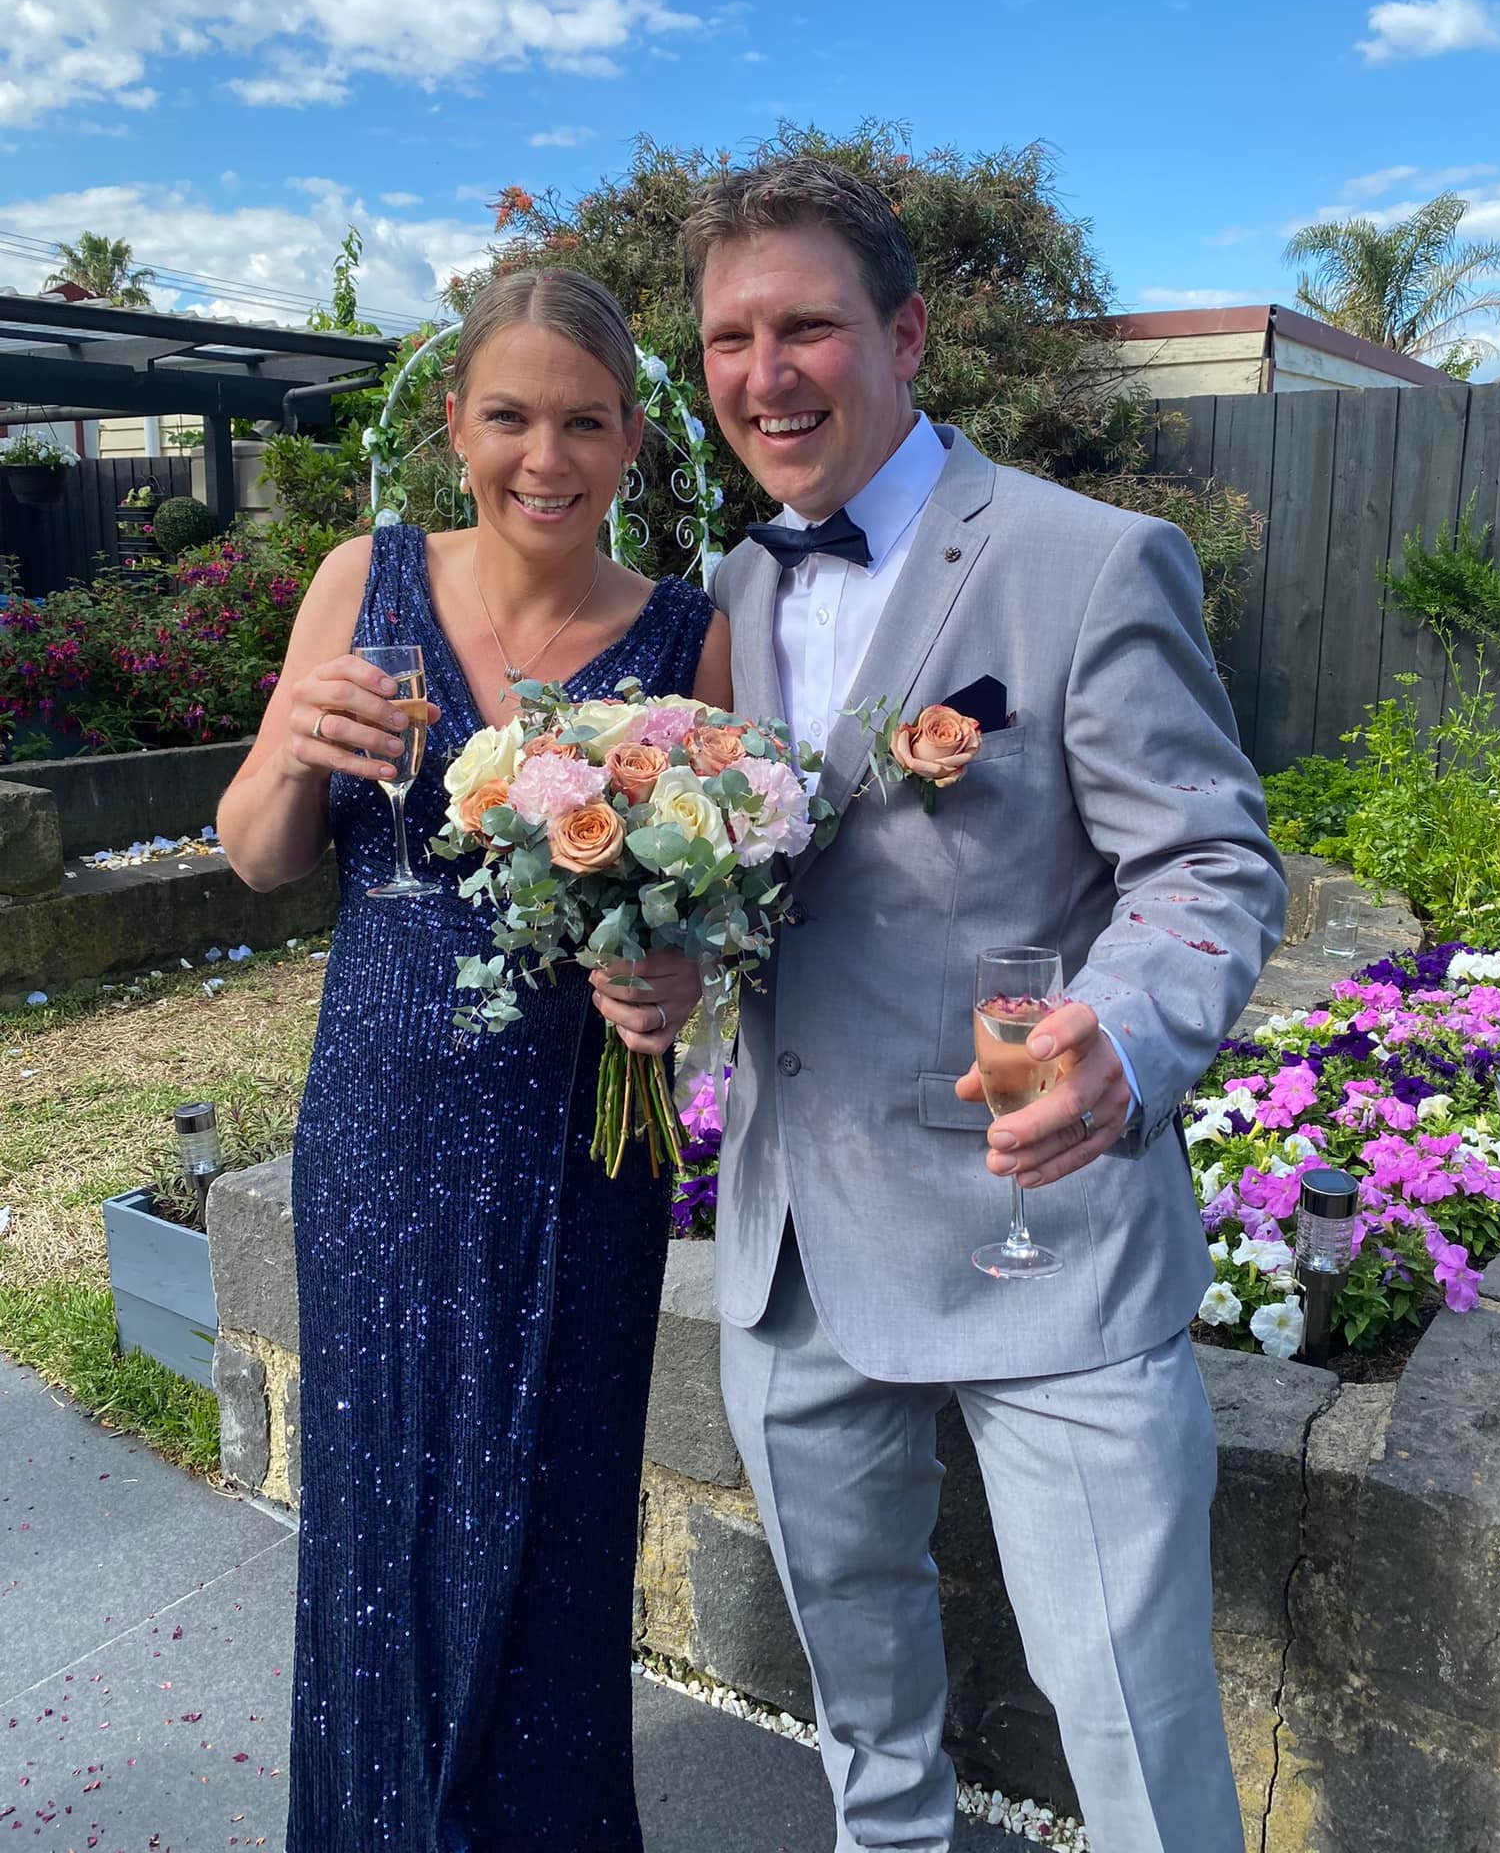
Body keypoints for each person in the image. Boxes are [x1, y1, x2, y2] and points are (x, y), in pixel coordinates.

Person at [688, 158, 1287, 1853]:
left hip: (1048, 1247)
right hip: (796, 1255)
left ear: (906, 335)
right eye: (729, 337)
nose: (765, 373)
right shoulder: (728, 592)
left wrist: (1130, 1033)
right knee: (866, 1736)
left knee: (1140, 1752)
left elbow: (1210, 862)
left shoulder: (1089, 561)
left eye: (808, 326)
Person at [218, 267, 730, 1853]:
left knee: (553, 1522)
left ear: (632, 438)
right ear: (454, 427)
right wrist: (294, 747)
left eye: (584, 422)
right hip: (376, 1130)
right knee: (376, 1522)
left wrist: (679, 975)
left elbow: (715, 910)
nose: (545, 459)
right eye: (509, 417)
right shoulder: (359, 581)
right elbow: (257, 856)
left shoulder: (686, 634)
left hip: (579, 1145)